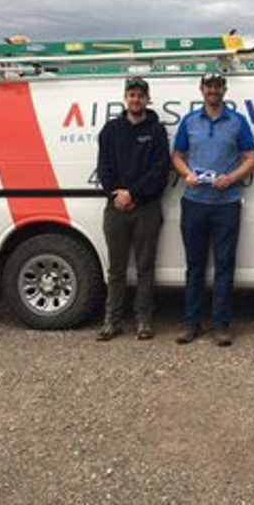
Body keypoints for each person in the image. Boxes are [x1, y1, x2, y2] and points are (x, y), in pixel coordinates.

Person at [172, 72, 254, 347]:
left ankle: (221, 324)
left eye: (217, 86)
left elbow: (252, 158)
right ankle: (191, 323)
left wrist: (231, 178)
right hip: (194, 201)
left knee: (224, 266)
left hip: (227, 204)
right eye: (208, 86)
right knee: (194, 266)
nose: (212, 90)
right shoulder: (189, 121)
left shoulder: (237, 121)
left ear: (224, 89)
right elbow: (177, 156)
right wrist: (186, 174)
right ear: (201, 89)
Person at [96, 76, 171, 341]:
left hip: (146, 208)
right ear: (125, 98)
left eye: (140, 95)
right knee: (115, 270)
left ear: (147, 99)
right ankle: (112, 321)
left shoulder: (156, 131)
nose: (135, 99)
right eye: (131, 95)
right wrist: (117, 194)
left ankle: (143, 321)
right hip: (116, 208)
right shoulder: (110, 130)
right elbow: (103, 168)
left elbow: (160, 171)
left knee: (145, 268)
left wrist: (134, 194)